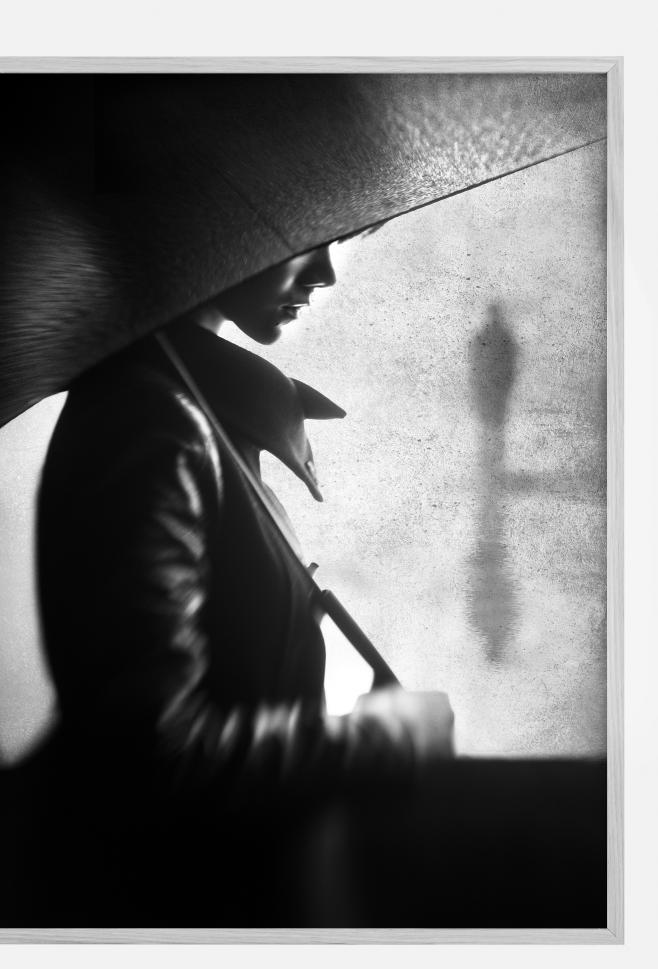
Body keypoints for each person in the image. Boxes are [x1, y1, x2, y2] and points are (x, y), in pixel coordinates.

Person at [27, 241, 454, 926]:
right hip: (182, 909)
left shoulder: (186, 408)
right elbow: (152, 757)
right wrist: (386, 739)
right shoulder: (150, 419)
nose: (324, 273)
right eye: (304, 244)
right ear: (203, 227)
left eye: (334, 242)